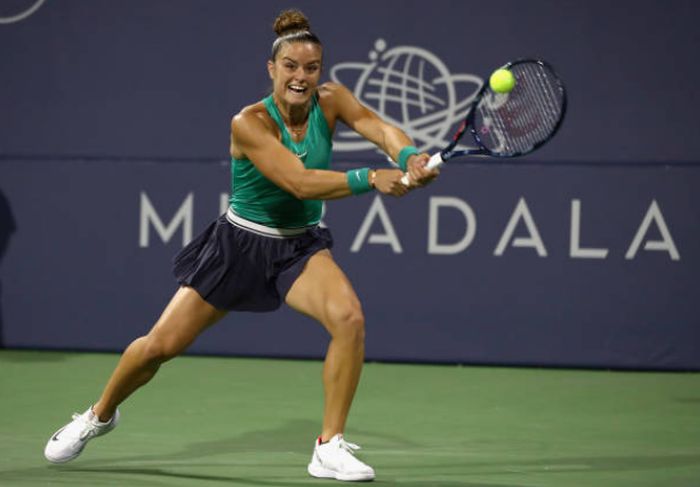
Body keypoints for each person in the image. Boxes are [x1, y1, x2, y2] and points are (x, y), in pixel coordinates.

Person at [44, 8, 437, 482]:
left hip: (298, 248)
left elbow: (378, 127)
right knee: (157, 348)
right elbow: (298, 183)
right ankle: (98, 416)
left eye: (311, 67)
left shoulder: (332, 100)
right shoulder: (249, 123)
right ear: (271, 69)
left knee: (349, 318)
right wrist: (371, 177)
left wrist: (408, 155)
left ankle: (328, 446)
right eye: (290, 66)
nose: (301, 76)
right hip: (238, 248)